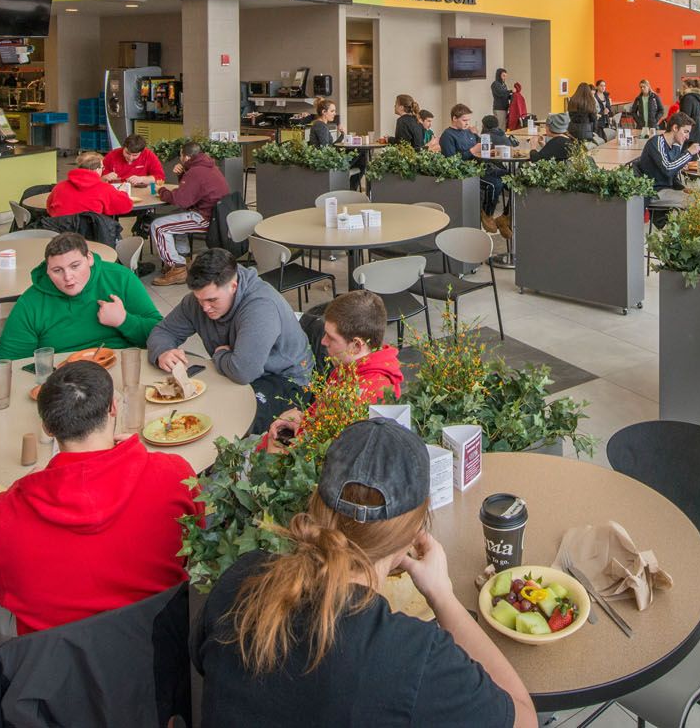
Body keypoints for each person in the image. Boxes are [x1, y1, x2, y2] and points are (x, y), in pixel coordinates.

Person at [194, 419, 536, 728]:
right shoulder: (411, 657)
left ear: (317, 503)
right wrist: (443, 596)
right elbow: (523, 719)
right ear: (414, 530)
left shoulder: (241, 579)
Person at [0, 361, 198, 637]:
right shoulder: (174, 473)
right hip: (164, 644)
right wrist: (132, 457)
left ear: (47, 429)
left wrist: (20, 490)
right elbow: (200, 537)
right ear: (113, 408)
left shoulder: (3, 517)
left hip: (61, 666)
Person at [148, 247, 314, 431]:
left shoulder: (260, 307)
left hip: (287, 381)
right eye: (199, 299)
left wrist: (220, 356)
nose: (204, 308)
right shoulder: (199, 300)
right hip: (237, 373)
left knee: (226, 421)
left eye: (212, 300)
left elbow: (243, 372)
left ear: (233, 286)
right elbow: (163, 331)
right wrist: (162, 351)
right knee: (188, 408)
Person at [263, 289, 403, 452]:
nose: (323, 341)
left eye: (331, 337)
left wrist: (279, 446)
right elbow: (322, 419)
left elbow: (331, 454)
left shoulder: (371, 393)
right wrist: (301, 420)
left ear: (356, 346)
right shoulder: (348, 367)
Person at [0, 232, 161, 360]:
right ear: (47, 270)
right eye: (57, 270)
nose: (68, 277)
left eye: (75, 266)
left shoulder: (120, 278)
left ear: (89, 258)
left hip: (119, 365)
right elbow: (11, 361)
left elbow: (161, 334)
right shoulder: (30, 302)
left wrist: (124, 321)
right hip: (62, 379)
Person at [149, 140, 230, 286]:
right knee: (176, 216)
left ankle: (177, 267)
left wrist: (161, 190)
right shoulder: (208, 166)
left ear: (186, 157)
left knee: (159, 226)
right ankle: (183, 257)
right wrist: (182, 174)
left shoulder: (195, 172)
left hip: (206, 218)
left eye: (180, 155)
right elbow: (191, 194)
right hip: (216, 215)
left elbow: (181, 199)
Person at [45, 150, 134, 219]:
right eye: (102, 167)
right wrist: (123, 192)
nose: (103, 170)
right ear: (95, 170)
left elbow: (49, 208)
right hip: (91, 237)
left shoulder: (59, 187)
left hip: (61, 235)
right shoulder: (104, 189)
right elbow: (126, 206)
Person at [637, 114, 700, 190]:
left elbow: (673, 178)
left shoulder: (676, 147)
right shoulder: (657, 142)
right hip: (654, 192)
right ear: (675, 128)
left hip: (667, 191)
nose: (688, 137)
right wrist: (689, 153)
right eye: (685, 131)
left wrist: (683, 189)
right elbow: (668, 169)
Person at [680, 80, 700, 150]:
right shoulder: (698, 98)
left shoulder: (688, 98)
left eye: (684, 87)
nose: (682, 89)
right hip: (699, 132)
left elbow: (685, 116)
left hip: (691, 134)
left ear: (690, 87)